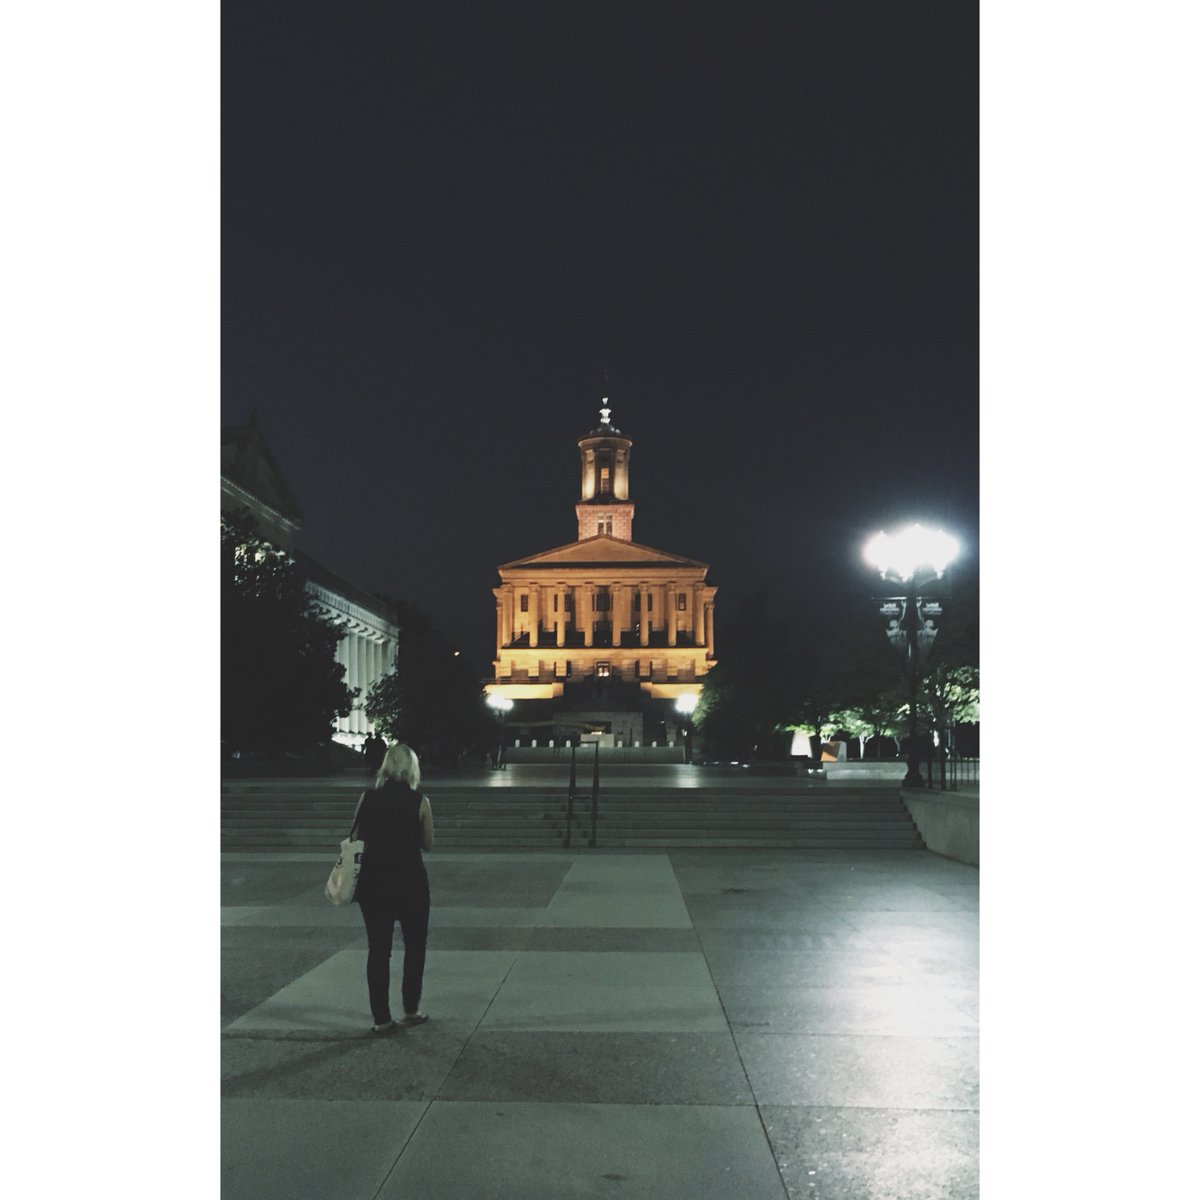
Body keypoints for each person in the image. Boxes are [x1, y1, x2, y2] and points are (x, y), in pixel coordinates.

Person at [352, 742, 434, 1034]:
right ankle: (411, 1009)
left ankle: (381, 1018)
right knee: (414, 948)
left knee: (378, 950)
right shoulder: (420, 802)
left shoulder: (367, 798)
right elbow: (428, 843)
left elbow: (356, 836)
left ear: (386, 766)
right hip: (410, 882)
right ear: (412, 768)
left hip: (373, 884)